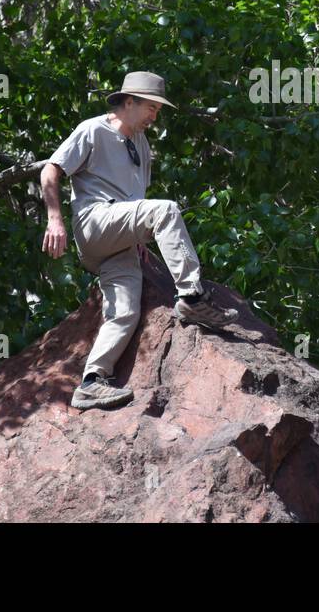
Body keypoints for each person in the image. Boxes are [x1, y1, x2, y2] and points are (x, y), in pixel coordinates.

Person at [41, 71, 238, 411]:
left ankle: (91, 382)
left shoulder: (141, 144)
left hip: (119, 239)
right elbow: (50, 170)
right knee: (166, 209)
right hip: (94, 221)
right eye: (151, 107)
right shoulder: (93, 129)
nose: (154, 116)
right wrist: (54, 219)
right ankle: (191, 295)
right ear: (128, 102)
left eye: (158, 110)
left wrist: (139, 236)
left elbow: (134, 200)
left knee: (125, 312)